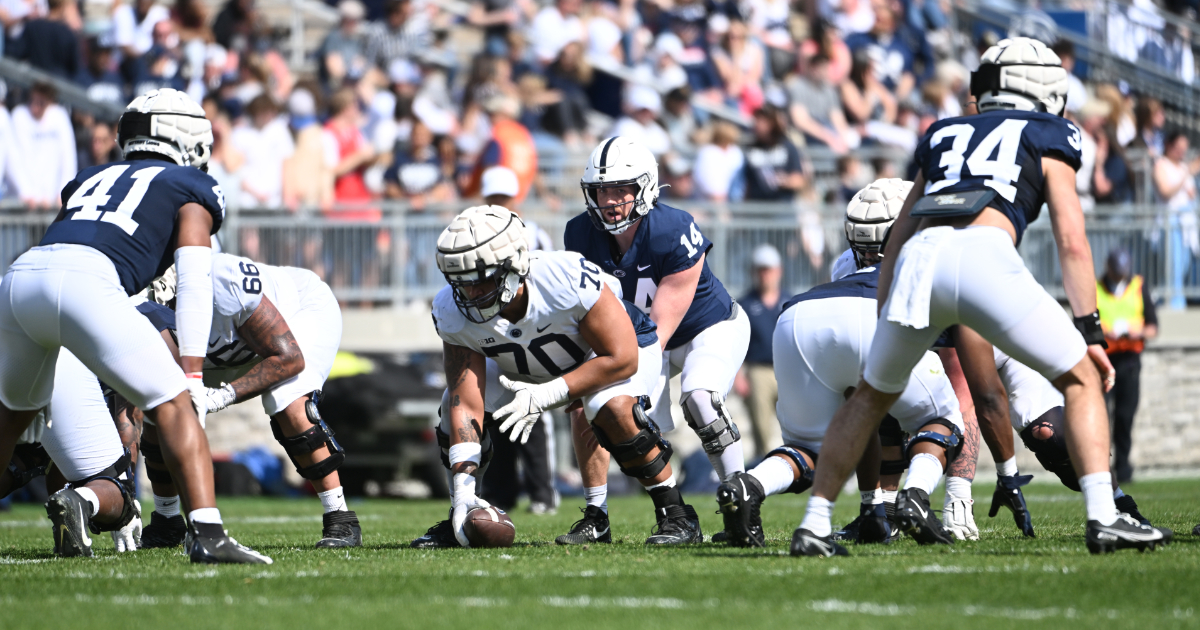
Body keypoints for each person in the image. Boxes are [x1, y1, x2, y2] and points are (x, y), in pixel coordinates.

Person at [790, 38, 1171, 557]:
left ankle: (812, 525)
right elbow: (1072, 239)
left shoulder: (942, 131)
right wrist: (1090, 330)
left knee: (869, 397)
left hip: (919, 262)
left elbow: (901, 232)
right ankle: (1104, 516)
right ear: (1039, 85)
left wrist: (885, 315)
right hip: (984, 255)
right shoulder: (1050, 131)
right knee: (1082, 378)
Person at [0, 88, 269, 563]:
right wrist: (189, 376)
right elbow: (193, 277)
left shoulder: (89, 176)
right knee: (174, 404)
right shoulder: (191, 185)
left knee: (9, 422)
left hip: (19, 277)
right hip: (87, 282)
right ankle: (207, 534)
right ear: (188, 137)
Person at [409, 206, 691, 548]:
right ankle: (465, 509)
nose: (471, 294)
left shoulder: (563, 277)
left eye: (482, 278)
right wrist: (461, 493)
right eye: (461, 282)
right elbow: (464, 401)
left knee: (611, 408)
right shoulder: (451, 310)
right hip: (527, 366)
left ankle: (675, 513)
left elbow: (621, 358)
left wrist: (545, 395)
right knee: (450, 412)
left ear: (514, 264)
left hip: (610, 350)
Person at [720, 179, 966, 548]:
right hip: (874, 315)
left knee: (811, 447)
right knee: (943, 421)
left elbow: (857, 398)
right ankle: (915, 496)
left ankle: (752, 483)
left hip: (800, 317)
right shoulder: (934, 255)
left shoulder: (844, 262)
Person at [563, 136, 751, 544]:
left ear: (645, 187)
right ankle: (598, 515)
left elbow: (660, 331)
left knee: (700, 399)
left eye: (619, 190)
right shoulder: (579, 234)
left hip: (705, 327)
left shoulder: (673, 227)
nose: (609, 200)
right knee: (588, 405)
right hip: (638, 336)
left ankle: (741, 506)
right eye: (600, 191)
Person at [138, 252, 361, 548]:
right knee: (158, 402)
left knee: (288, 401)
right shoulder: (136, 307)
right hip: (233, 345)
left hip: (296, 315)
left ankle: (341, 519)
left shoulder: (224, 281)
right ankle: (166, 521)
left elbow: (289, 358)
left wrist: (219, 397)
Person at [1, 347, 145, 556]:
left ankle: (67, 520)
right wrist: (126, 495)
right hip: (52, 360)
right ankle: (78, 503)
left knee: (20, 463)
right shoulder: (133, 337)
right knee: (116, 485)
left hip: (12, 349)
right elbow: (129, 419)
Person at [477, 166, 558, 514]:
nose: (498, 205)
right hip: (492, 331)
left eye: (503, 199)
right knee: (494, 412)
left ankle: (543, 493)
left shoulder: (534, 234)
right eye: (493, 199)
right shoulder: (472, 234)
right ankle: (501, 493)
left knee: (535, 413)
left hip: (530, 331)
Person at [1096, 249, 1158, 484]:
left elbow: (1153, 327)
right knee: (1101, 416)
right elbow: (1081, 325)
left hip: (1130, 360)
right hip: (1103, 359)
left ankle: (1123, 466)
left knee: (1124, 415)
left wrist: (1137, 332)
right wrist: (1104, 332)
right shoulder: (1095, 288)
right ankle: (1100, 466)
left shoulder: (1138, 287)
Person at [734, 244, 784, 459]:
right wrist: (738, 375)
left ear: (779, 271)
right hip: (758, 371)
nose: (765, 275)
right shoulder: (745, 303)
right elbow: (735, 343)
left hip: (786, 371)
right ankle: (764, 465)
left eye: (769, 269)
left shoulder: (789, 300)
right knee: (761, 426)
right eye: (761, 270)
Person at [1153, 131, 1200, 310]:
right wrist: (1188, 172)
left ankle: (1177, 304)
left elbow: (1190, 195)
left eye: (1184, 149)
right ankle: (1173, 305)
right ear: (1169, 145)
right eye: (1178, 148)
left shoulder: (1182, 167)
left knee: (1184, 267)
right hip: (1170, 223)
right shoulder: (1161, 165)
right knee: (1172, 267)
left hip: (1186, 226)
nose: (1181, 152)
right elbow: (1166, 191)